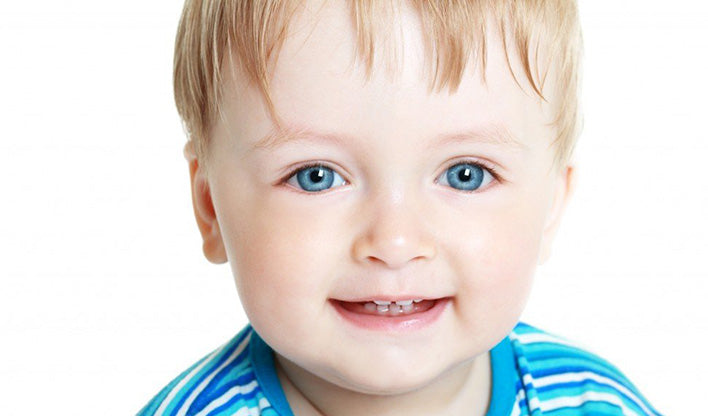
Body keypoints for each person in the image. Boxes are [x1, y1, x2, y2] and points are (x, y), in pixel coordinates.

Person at [138, 0, 661, 414]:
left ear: (551, 206)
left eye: (466, 175)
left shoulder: (599, 403)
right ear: (209, 207)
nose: (394, 243)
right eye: (315, 177)